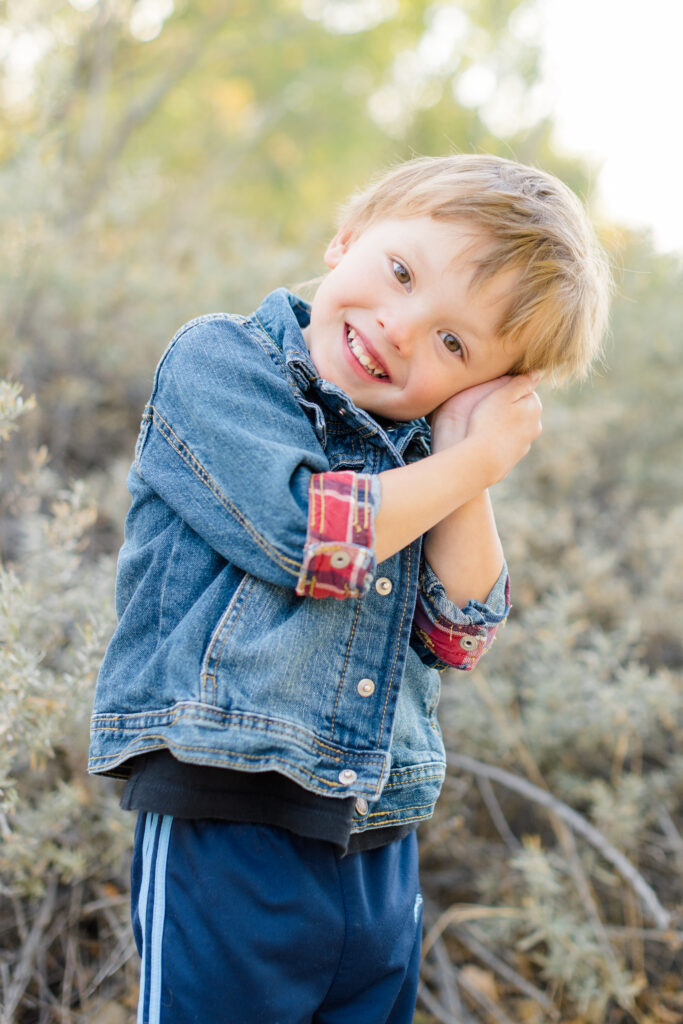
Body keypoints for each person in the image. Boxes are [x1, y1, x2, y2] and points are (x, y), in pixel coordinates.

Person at [88, 154, 610, 1024]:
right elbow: (309, 537)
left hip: (375, 839)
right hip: (227, 811)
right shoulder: (222, 361)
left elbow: (460, 631)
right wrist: (474, 459)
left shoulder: (425, 462)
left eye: (453, 344)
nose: (400, 329)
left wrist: (463, 456)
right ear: (347, 235)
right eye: (400, 272)